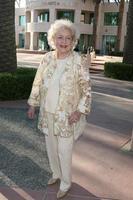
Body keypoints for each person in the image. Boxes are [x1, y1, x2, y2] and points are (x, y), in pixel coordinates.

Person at [27, 19, 91, 199]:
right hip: (47, 112)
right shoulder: (47, 58)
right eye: (60, 37)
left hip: (67, 115)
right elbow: (38, 81)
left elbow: (87, 90)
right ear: (53, 39)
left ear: (73, 41)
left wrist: (79, 111)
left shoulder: (77, 60)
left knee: (64, 150)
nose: (63, 42)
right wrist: (33, 104)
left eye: (68, 38)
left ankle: (66, 182)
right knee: (51, 148)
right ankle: (56, 173)